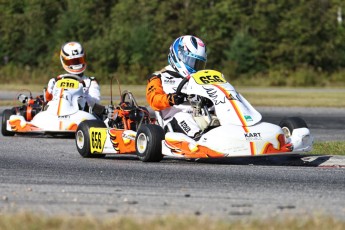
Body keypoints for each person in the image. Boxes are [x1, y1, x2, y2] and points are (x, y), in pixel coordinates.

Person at [146, 35, 207, 139]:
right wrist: (171, 99)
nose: (195, 67)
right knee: (183, 117)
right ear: (179, 55)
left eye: (199, 64)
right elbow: (153, 100)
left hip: (199, 117)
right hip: (172, 122)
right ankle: (200, 140)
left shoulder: (200, 78)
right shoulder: (159, 77)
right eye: (192, 62)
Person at [45, 41, 101, 110]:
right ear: (63, 60)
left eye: (79, 60)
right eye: (72, 61)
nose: (76, 64)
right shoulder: (56, 81)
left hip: (81, 117)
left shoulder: (90, 82)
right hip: (57, 115)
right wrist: (49, 92)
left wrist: (83, 95)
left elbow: (95, 103)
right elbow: (48, 102)